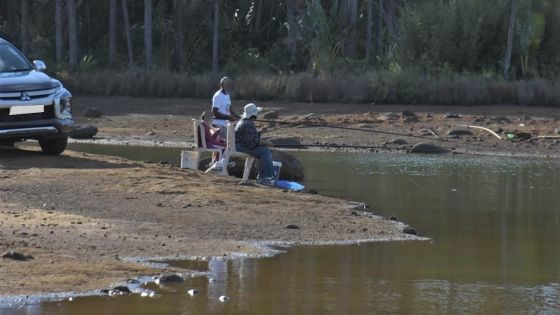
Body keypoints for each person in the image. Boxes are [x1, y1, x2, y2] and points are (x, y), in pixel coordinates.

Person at [235, 103, 275, 187]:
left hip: (240, 145)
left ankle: (267, 177)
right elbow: (252, 143)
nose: (258, 114)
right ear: (253, 114)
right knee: (265, 152)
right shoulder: (248, 124)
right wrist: (266, 142)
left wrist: (260, 132)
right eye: (257, 113)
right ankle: (263, 178)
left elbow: (249, 137)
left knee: (266, 151)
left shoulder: (243, 121)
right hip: (242, 147)